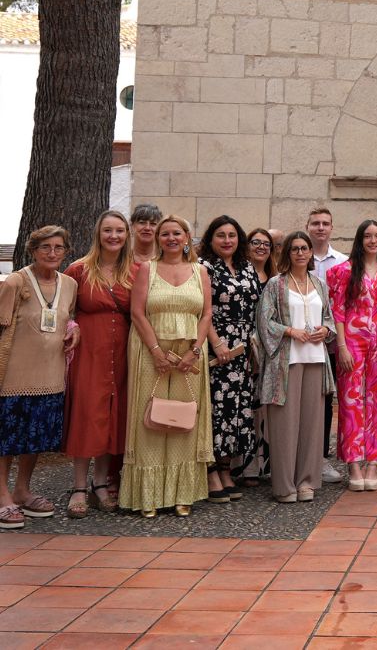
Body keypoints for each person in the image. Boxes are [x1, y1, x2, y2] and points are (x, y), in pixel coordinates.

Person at [120, 215, 213, 518]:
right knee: (150, 418)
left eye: (177, 233)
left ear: (187, 237)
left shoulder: (200, 271)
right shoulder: (148, 269)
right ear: (158, 239)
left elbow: (206, 314)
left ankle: (181, 494)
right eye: (165, 234)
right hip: (150, 350)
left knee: (183, 419)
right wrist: (156, 351)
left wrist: (195, 350)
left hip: (189, 354)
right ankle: (147, 495)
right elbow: (137, 313)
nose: (171, 238)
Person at [0, 226, 78, 528]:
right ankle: (3, 496)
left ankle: (22, 491)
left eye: (59, 247)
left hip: (50, 376)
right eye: (45, 247)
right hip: (14, 377)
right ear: (33, 250)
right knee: (7, 441)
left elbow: (67, 318)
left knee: (35, 439)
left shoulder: (69, 284)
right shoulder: (16, 282)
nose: (52, 253)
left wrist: (75, 329)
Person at [255, 231, 336, 503]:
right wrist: (290, 331)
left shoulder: (320, 284)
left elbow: (330, 319)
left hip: (315, 360)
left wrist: (325, 330)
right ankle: (284, 485)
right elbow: (264, 322)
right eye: (295, 249)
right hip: (285, 363)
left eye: (305, 248)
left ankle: (307, 481)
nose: (300, 253)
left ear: (311, 253)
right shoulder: (276, 285)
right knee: (285, 424)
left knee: (312, 424)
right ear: (287, 253)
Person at [63, 211, 135, 518]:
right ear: (98, 234)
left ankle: (101, 483)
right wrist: (71, 327)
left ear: (126, 235)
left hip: (122, 350)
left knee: (112, 414)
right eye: (108, 230)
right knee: (86, 413)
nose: (114, 236)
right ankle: (79, 486)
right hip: (89, 350)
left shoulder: (135, 271)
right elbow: (63, 309)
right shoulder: (78, 269)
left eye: (120, 230)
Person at [327, 220, 377, 492]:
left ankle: (373, 462)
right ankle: (353, 463)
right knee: (350, 401)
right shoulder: (342, 271)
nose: (373, 240)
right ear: (360, 239)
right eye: (368, 236)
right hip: (352, 341)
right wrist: (342, 345)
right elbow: (338, 310)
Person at [198, 215, 261, 503]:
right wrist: (217, 343)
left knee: (236, 412)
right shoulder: (205, 268)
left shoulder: (247, 267)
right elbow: (202, 308)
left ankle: (226, 470)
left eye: (232, 235)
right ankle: (210, 472)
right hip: (217, 350)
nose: (227, 240)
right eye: (221, 235)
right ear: (211, 239)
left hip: (242, 352)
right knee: (215, 411)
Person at [307, 207, 347, 485]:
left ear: (332, 228)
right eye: (315, 223)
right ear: (308, 227)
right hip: (299, 338)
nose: (320, 228)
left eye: (325, 224)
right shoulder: (296, 254)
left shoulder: (343, 262)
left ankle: (320, 457)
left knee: (324, 400)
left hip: (330, 342)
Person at [242, 226, 275, 484]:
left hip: (269, 349)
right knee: (244, 405)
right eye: (256, 242)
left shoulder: (275, 277)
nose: (261, 247)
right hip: (241, 347)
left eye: (266, 243)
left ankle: (262, 462)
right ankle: (243, 465)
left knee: (263, 406)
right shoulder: (241, 273)